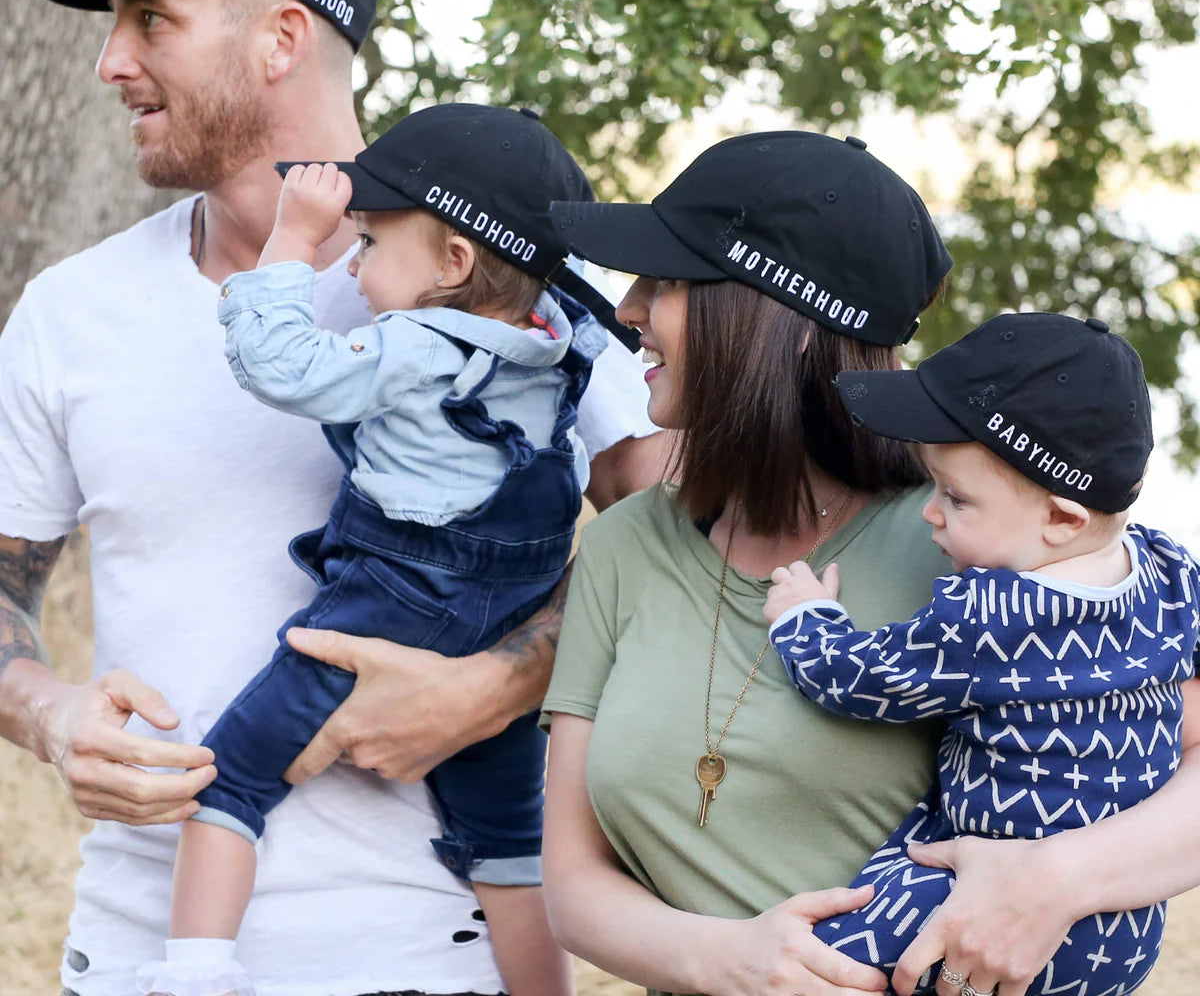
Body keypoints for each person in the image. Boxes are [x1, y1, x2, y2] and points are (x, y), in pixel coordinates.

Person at [1, 0, 664, 996]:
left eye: (150, 20)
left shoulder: (511, 280)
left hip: (434, 960)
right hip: (138, 962)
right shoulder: (70, 311)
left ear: (281, 38)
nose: (112, 62)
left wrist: (501, 683)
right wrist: (55, 715)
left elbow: (698, 550)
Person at [539, 132, 1200, 996]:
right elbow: (573, 882)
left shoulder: (970, 546)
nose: (628, 307)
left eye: (665, 282)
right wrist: (732, 961)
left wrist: (1060, 880)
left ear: (772, 321)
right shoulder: (624, 548)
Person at [141, 103, 608, 996]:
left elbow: (278, 365)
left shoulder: (412, 345)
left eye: (369, 245)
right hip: (505, 616)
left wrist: (292, 239)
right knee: (510, 839)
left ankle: (194, 975)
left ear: (453, 264)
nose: (351, 266)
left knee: (230, 781)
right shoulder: (552, 345)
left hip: (395, 600)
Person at [764, 311, 1200, 996]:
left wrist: (804, 618)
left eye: (955, 498)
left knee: (819, 961)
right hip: (1127, 930)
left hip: (984, 895)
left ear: (1061, 518)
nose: (929, 512)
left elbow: (859, 679)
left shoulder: (990, 616)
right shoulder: (1172, 571)